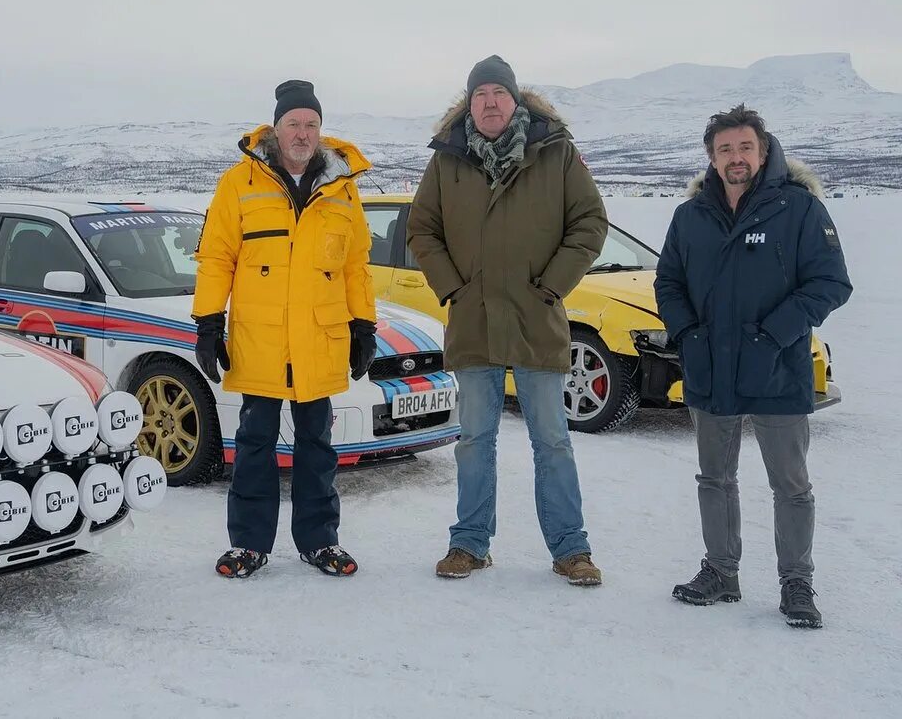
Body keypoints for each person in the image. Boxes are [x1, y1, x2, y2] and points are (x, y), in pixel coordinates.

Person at [406, 55, 609, 586]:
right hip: (474, 320)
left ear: (515, 100)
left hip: (536, 316)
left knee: (554, 440)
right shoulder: (447, 160)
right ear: (468, 105)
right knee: (474, 439)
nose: (490, 102)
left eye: (498, 92)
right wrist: (453, 286)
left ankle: (571, 549)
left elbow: (589, 221)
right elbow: (422, 228)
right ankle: (469, 544)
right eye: (480, 95)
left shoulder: (556, 152)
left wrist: (552, 285)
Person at [655, 104, 852, 629]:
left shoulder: (800, 210)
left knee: (790, 485)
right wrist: (688, 336)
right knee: (714, 478)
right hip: (711, 369)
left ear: (763, 152)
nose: (735, 157)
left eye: (745, 147)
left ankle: (796, 582)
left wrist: (774, 334)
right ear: (712, 158)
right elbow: (667, 282)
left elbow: (831, 283)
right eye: (725, 149)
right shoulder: (690, 215)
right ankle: (720, 571)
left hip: (777, 368)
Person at [192, 79, 377, 579]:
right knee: (255, 442)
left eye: (311, 124)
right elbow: (217, 257)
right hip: (262, 338)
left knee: (318, 443)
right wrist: (208, 322)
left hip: (319, 337)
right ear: (275, 128)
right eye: (293, 123)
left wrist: (364, 324)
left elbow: (355, 264)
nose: (302, 132)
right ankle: (249, 544)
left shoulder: (342, 186)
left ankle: (320, 542)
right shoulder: (240, 183)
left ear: (321, 130)